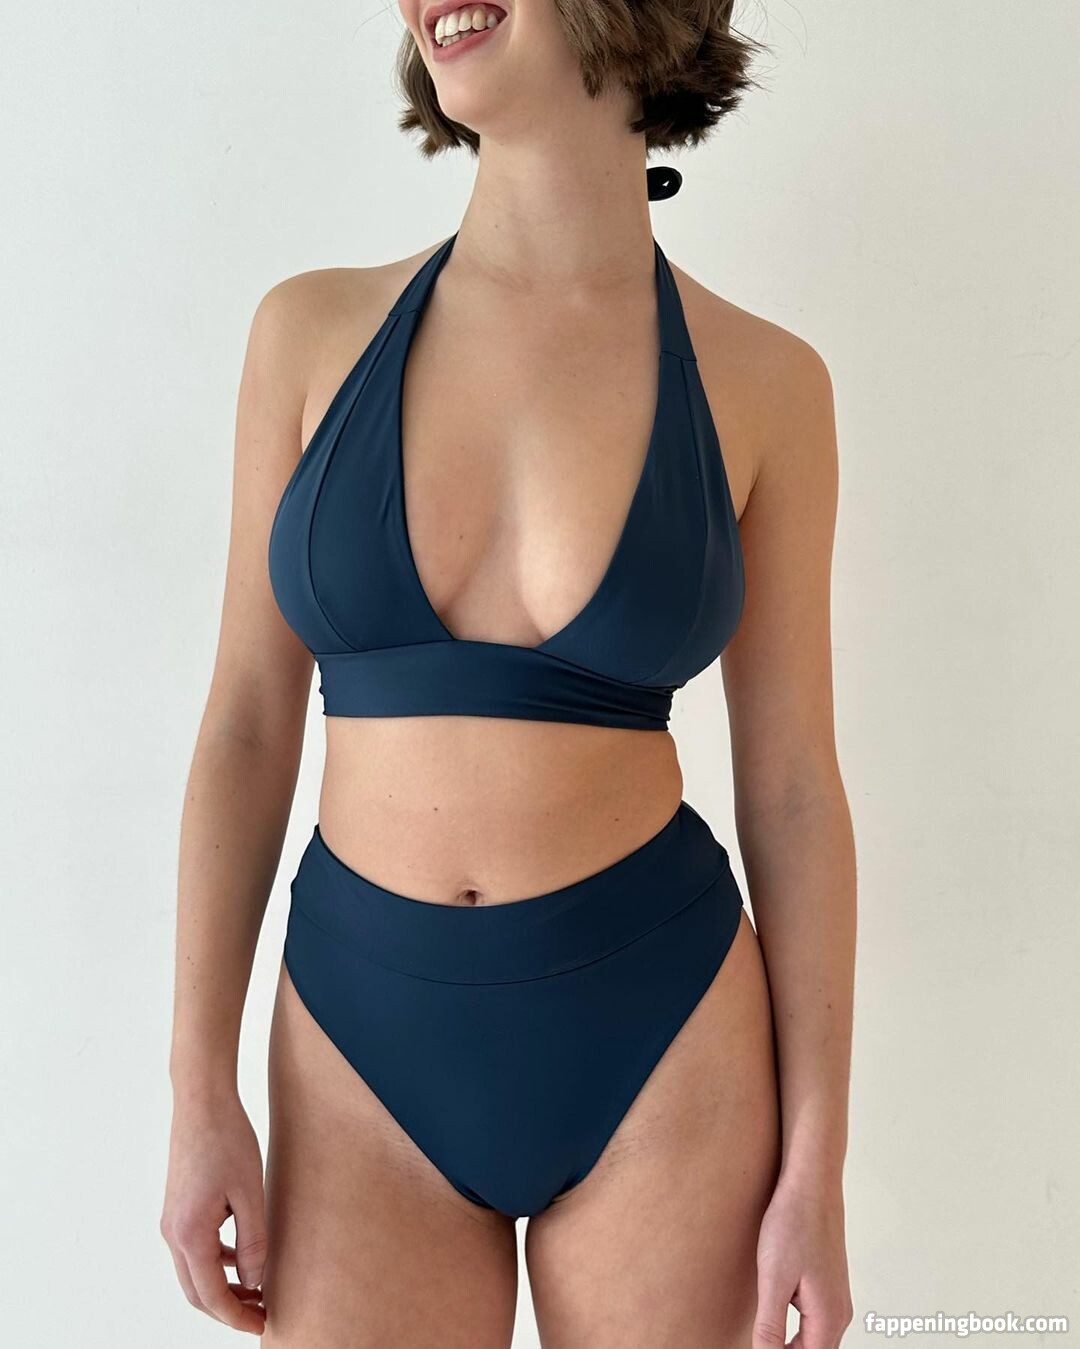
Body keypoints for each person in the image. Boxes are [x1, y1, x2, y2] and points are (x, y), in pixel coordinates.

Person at [160, 2, 857, 1345]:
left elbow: (794, 791)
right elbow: (245, 725)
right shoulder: (309, 334)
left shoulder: (769, 383)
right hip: (357, 1052)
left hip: (664, 1040)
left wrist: (817, 1164)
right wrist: (197, 1092)